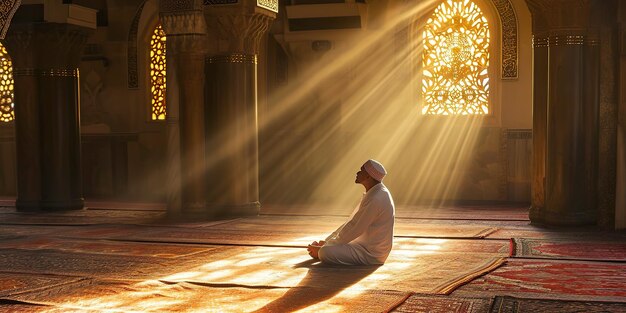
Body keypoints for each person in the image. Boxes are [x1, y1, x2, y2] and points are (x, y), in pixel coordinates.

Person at [307, 159, 395, 265]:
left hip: (371, 254)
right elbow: (352, 221)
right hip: (363, 244)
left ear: (368, 177)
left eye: (361, 171)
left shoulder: (376, 198)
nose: (357, 173)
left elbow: (356, 228)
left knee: (325, 252)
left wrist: (324, 248)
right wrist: (328, 241)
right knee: (325, 248)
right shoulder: (375, 192)